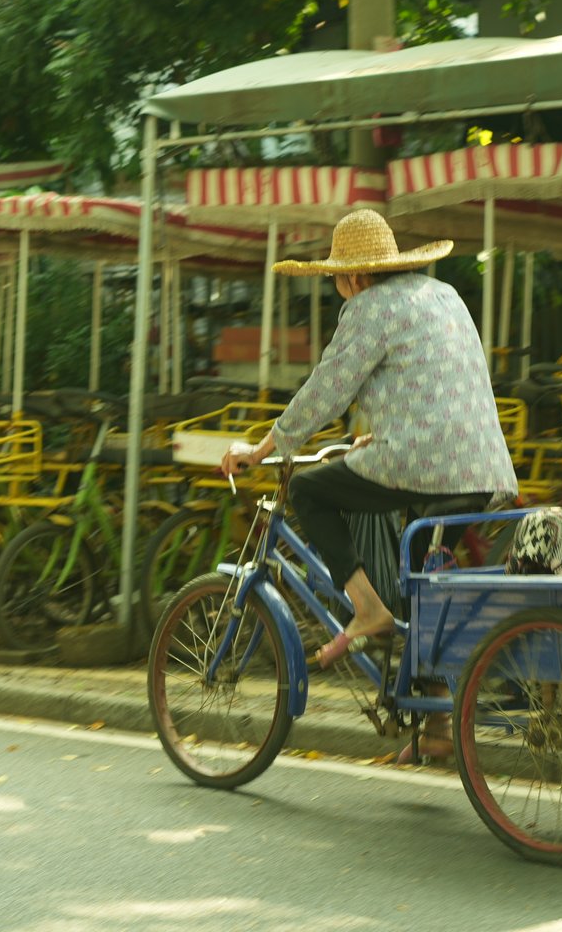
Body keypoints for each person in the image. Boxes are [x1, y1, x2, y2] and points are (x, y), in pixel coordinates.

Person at [221, 209, 518, 758]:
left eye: (335, 277)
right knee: (419, 590)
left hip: (425, 463)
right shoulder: (442, 294)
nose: (337, 288)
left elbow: (327, 389)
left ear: (355, 276)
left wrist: (264, 447)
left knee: (310, 492)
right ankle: (434, 729)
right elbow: (431, 381)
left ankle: (366, 608)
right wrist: (382, 439)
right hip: (484, 467)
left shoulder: (368, 307)